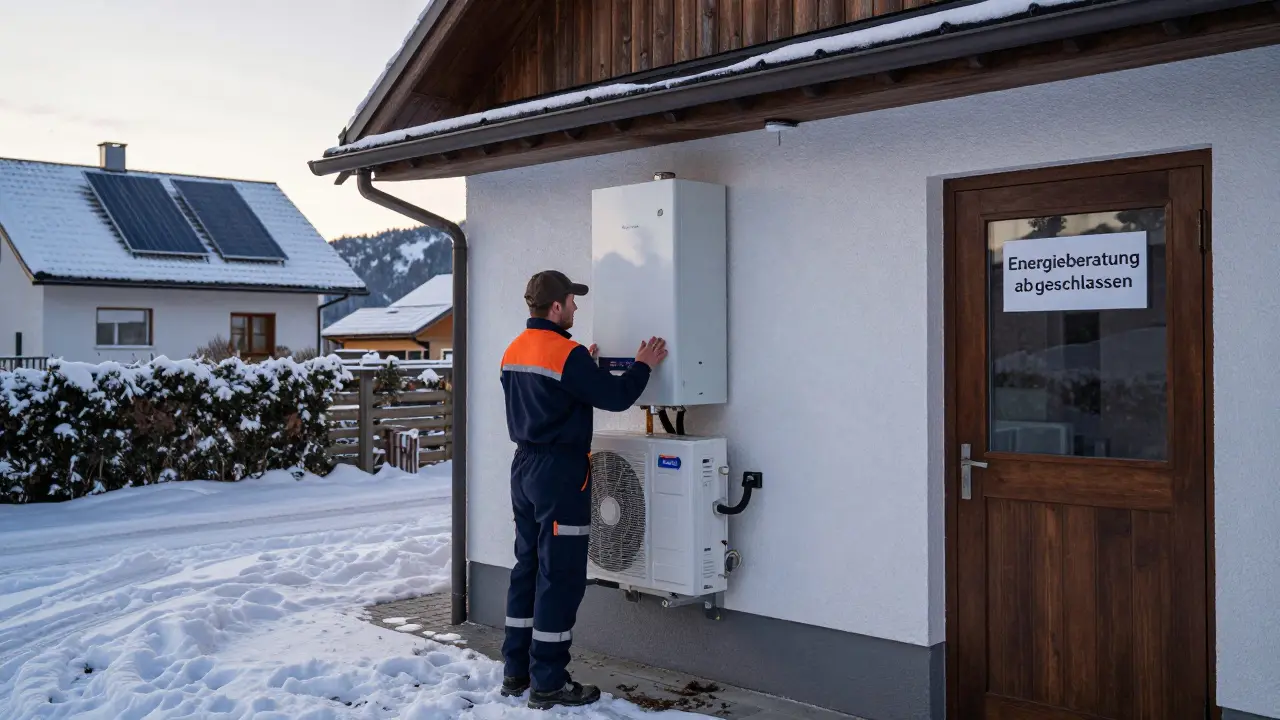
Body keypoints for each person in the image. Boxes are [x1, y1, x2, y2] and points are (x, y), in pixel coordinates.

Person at [498, 270, 667, 710]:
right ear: (556, 306)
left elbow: (550, 394)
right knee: (561, 575)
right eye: (572, 301)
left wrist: (582, 370)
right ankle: (549, 681)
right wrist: (643, 365)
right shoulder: (566, 354)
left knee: (528, 567)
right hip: (559, 473)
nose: (576, 307)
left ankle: (516, 672)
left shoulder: (515, 349)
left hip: (524, 469)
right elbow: (615, 397)